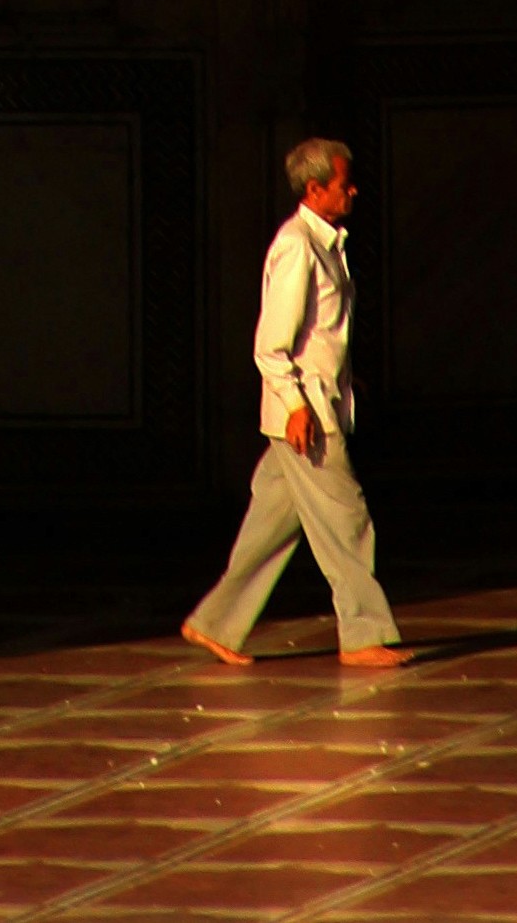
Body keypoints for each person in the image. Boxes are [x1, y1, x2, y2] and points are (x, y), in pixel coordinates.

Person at [181, 135, 412, 670]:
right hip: (307, 416)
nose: (352, 190)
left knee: (271, 526)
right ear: (314, 189)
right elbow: (272, 344)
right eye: (342, 183)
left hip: (318, 403)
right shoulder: (297, 247)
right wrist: (295, 405)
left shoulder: (327, 245)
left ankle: (215, 623)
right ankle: (362, 634)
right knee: (346, 519)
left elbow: (323, 335)